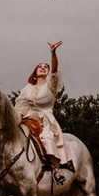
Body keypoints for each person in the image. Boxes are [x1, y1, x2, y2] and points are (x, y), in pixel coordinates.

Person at [15, 41, 72, 170]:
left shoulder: (51, 85)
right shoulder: (27, 88)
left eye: (45, 67)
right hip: (27, 117)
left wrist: (53, 53)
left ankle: (55, 168)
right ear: (35, 72)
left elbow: (55, 70)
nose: (42, 68)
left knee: (47, 138)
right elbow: (19, 105)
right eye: (39, 66)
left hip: (45, 120)